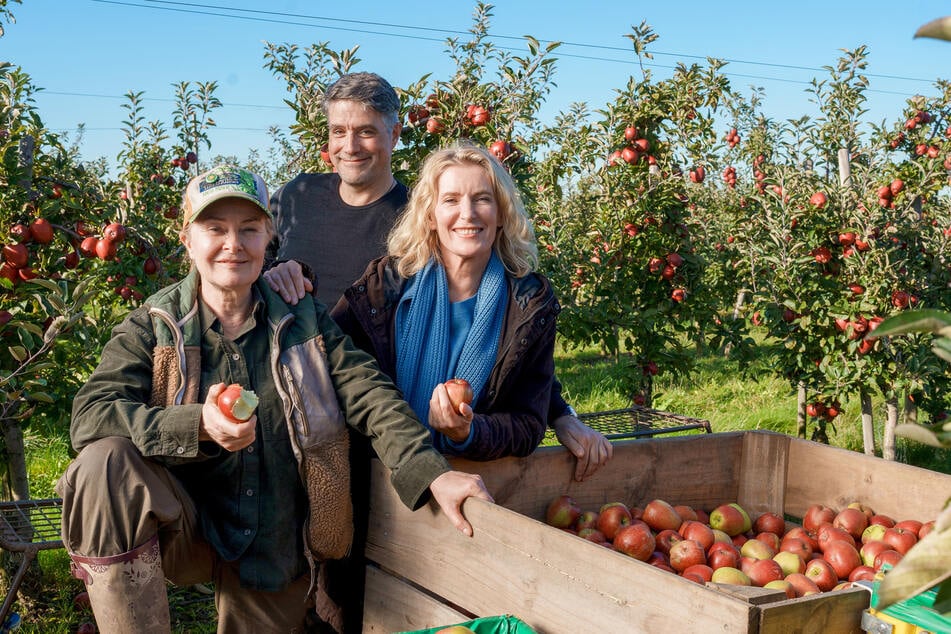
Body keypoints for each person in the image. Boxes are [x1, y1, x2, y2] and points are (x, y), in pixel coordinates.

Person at [55, 165, 492, 633]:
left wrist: (431, 474)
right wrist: (197, 424)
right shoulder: (156, 325)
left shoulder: (303, 320)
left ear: (269, 236)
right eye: (214, 229)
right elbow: (90, 415)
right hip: (181, 524)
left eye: (248, 229)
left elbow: (370, 394)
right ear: (188, 239)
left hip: (272, 539)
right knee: (104, 462)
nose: (233, 244)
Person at [265, 71, 612, 478]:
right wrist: (272, 272)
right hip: (300, 411)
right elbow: (250, 265)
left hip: (380, 443)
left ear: (394, 135)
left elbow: (513, 351)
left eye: (365, 132)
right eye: (338, 131)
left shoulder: (418, 227)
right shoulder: (295, 197)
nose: (350, 146)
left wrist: (560, 414)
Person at [332, 143, 559, 460]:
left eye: (482, 199)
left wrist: (471, 431)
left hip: (477, 487)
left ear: (501, 215)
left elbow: (528, 422)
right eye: (451, 200)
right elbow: (335, 369)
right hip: (382, 479)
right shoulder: (384, 286)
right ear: (430, 216)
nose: (467, 213)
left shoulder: (529, 305)